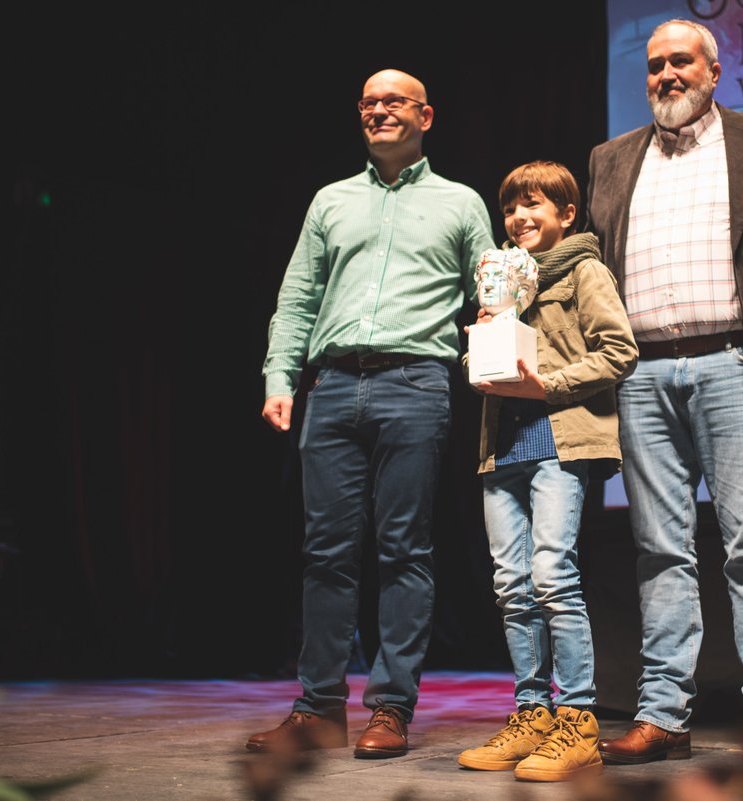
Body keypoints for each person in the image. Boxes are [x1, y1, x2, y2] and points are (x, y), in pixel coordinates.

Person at [247, 69, 494, 758]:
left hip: (415, 383)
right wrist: (280, 376)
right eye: (368, 102)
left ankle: (391, 707)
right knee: (325, 552)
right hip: (330, 386)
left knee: (403, 549)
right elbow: (297, 296)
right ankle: (318, 709)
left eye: (393, 101)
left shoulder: (460, 203)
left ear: (425, 116)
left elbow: (493, 294)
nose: (378, 111)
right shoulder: (331, 200)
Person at [586, 19, 743, 772]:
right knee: (659, 550)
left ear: (713, 71)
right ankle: (662, 715)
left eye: (681, 62)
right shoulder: (611, 158)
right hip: (641, 373)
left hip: (730, 364)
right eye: (655, 66)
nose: (666, 75)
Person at [457, 162, 638, 782]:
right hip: (503, 448)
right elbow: (483, 369)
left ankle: (578, 721)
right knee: (512, 585)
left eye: (533, 204)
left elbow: (619, 351)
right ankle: (532, 713)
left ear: (567, 214)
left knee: (552, 576)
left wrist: (548, 385)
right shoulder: (503, 279)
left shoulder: (585, 270)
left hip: (561, 444)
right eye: (510, 208)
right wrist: (482, 343)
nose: (519, 217)